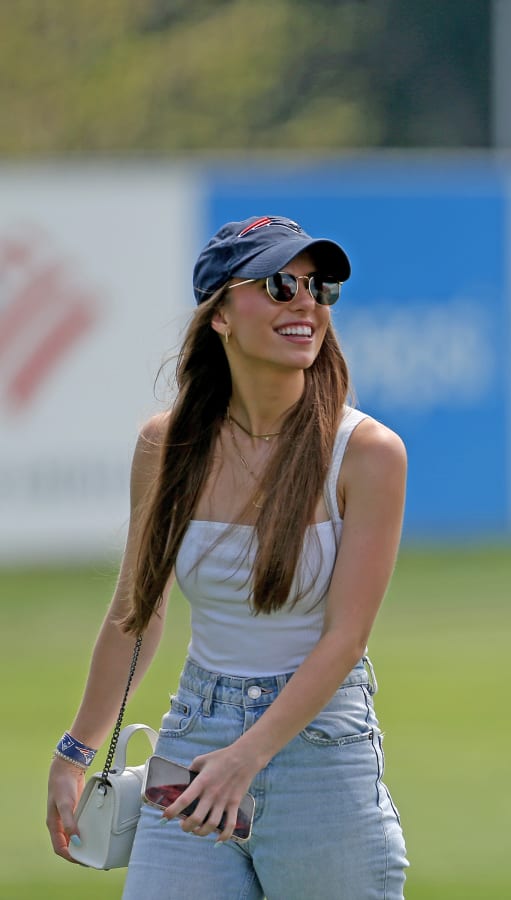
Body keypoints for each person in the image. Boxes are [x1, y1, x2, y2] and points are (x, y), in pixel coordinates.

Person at [46, 215, 410, 898]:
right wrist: (76, 750)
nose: (304, 303)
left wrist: (248, 756)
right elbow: (136, 612)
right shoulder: (166, 445)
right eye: (279, 285)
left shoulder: (368, 454)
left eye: (317, 287)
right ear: (220, 315)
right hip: (191, 736)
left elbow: (346, 638)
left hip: (321, 750)